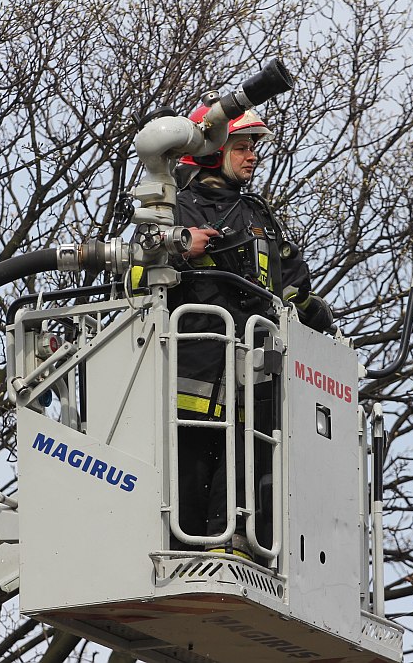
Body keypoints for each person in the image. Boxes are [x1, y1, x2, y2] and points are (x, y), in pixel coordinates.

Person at [167, 106, 333, 559]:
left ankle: (236, 547)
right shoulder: (172, 208)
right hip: (193, 367)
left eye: (253, 148)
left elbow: (291, 285)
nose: (253, 156)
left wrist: (314, 313)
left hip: (252, 366)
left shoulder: (257, 214)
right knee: (190, 463)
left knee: (248, 457)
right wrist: (179, 248)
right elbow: (138, 280)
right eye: (242, 147)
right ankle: (185, 553)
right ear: (212, 151)